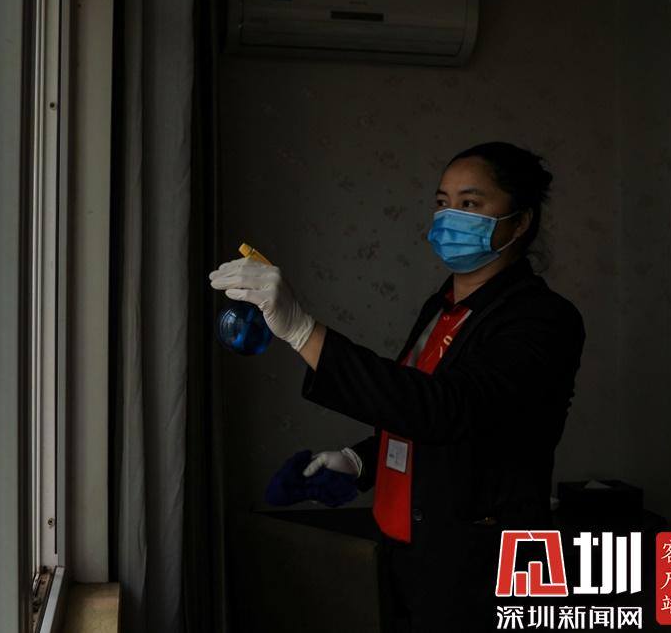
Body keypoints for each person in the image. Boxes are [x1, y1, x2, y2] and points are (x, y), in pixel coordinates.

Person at [208, 141, 586, 632]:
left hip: (483, 570)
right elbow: (412, 407)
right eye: (443, 202)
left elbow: (449, 410)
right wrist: (360, 461)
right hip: (406, 555)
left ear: (520, 222)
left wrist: (303, 332)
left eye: (471, 203)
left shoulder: (543, 319)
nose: (450, 217)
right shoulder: (442, 307)